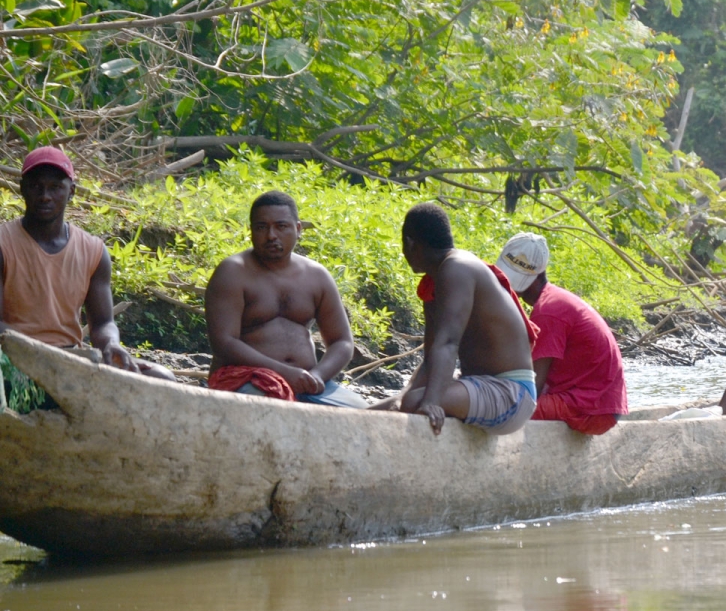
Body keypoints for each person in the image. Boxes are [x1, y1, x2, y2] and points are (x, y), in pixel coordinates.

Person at [0, 146, 173, 381]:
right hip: (15, 358)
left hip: (71, 358)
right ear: (22, 189)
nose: (44, 196)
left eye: (55, 188)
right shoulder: (4, 243)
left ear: (71, 192)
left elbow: (103, 323)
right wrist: (42, 356)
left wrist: (112, 344)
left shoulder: (93, 250)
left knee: (162, 377)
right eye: (36, 186)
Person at [369, 203, 538, 435]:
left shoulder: (457, 269)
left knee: (415, 403)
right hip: (481, 386)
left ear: (409, 243)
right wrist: (401, 397)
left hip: (511, 394)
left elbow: (448, 343)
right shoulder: (434, 281)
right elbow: (432, 356)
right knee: (385, 407)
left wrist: (430, 402)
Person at [205, 190, 367, 408]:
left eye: (281, 226)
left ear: (298, 229)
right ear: (251, 231)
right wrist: (283, 373)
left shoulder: (317, 276)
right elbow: (224, 343)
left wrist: (317, 376)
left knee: (364, 414)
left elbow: (342, 341)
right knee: (266, 410)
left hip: (310, 384)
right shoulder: (233, 272)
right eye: (262, 227)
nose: (271, 235)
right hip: (246, 379)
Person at [495, 233, 628, 435]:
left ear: (538, 275)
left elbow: (531, 390)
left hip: (593, 409)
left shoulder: (548, 311)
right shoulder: (551, 301)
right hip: (599, 401)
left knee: (498, 408)